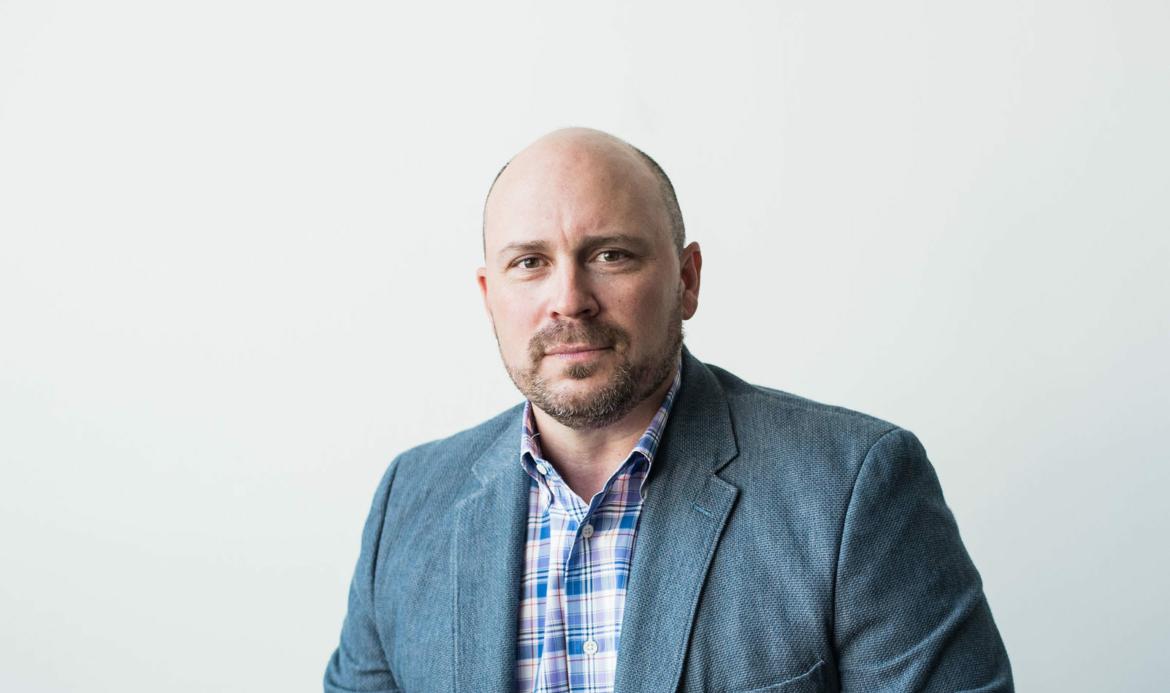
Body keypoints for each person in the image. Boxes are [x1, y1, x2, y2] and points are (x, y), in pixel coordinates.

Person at [324, 128, 1013, 692]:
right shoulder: (407, 506)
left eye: (611, 254)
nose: (569, 298)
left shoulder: (852, 489)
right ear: (487, 294)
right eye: (529, 262)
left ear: (687, 280)